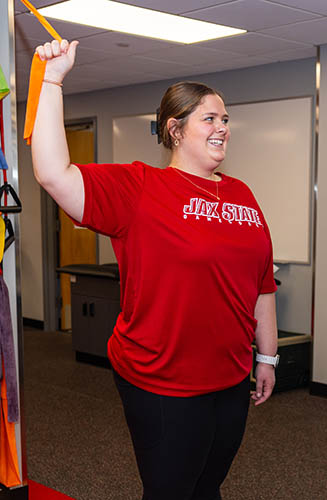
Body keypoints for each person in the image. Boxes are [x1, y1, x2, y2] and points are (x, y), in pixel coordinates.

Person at [30, 39, 280, 500]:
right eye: (210, 118)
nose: (223, 127)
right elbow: (53, 174)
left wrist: (266, 356)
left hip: (229, 376)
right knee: (170, 490)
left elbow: (262, 283)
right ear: (176, 128)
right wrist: (52, 81)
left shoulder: (242, 193)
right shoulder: (141, 188)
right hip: (162, 379)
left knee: (208, 486)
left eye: (225, 119)